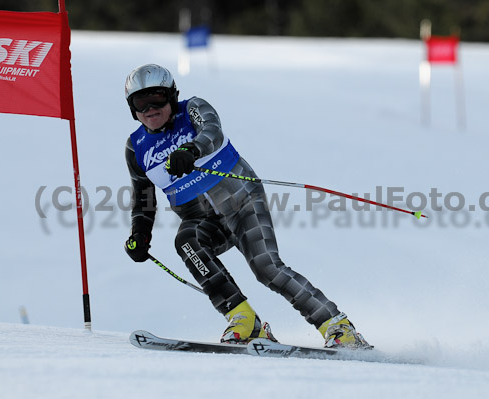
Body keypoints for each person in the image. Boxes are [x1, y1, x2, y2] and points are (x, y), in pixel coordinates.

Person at [123, 63, 370, 349]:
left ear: (172, 96)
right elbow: (144, 197)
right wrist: (140, 235)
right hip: (203, 219)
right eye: (141, 102)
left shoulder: (193, 108)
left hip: (241, 201)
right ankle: (244, 320)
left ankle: (337, 326)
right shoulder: (136, 146)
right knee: (187, 240)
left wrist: (191, 150)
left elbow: (212, 132)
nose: (151, 108)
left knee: (266, 268)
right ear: (132, 108)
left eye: (158, 98)